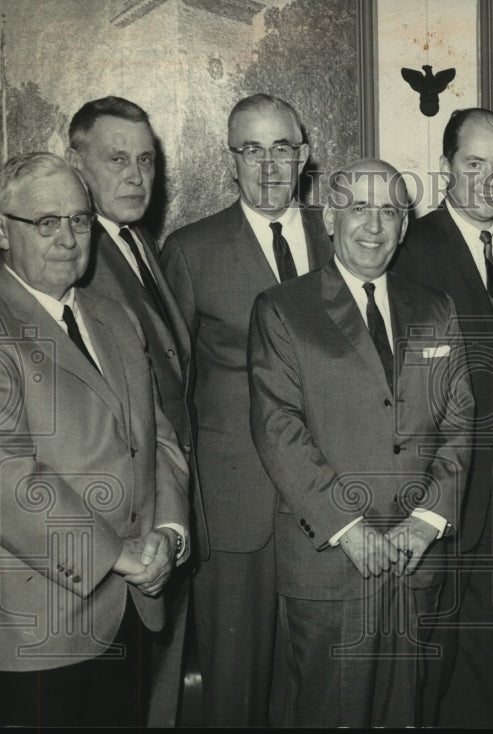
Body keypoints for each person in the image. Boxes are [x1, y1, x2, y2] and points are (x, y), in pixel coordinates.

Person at [248, 158, 473, 727]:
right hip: (332, 562)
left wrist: (429, 518)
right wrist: (349, 528)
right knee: (329, 713)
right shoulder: (282, 309)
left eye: (390, 211)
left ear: (405, 225)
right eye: (358, 208)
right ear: (330, 217)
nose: (374, 225)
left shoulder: (436, 307)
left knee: (409, 713)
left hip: (416, 557)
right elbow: (279, 429)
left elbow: (459, 418)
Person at [0, 153, 189, 727]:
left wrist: (168, 534)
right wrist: (118, 554)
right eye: (46, 222)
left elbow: (159, 441)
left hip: (131, 611)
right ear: (0, 229)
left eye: (79, 220)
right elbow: (3, 479)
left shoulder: (112, 315)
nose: (68, 238)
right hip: (36, 633)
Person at [161, 94, 332, 727]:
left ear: (304, 156)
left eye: (281, 148)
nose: (267, 166)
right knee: (234, 692)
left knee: (313, 685)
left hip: (327, 502)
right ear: (231, 160)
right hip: (237, 509)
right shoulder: (191, 250)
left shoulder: (339, 235)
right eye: (251, 150)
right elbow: (168, 396)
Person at [390, 108, 493, 727]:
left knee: (490, 653)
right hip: (435, 495)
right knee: (429, 658)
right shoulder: (410, 249)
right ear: (447, 168)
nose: (490, 181)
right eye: (474, 165)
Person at [66, 95, 200, 727]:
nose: (135, 175)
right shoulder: (75, 262)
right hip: (113, 532)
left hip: (162, 514)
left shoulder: (138, 243)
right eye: (116, 158)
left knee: (156, 695)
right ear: (76, 162)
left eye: (145, 160)